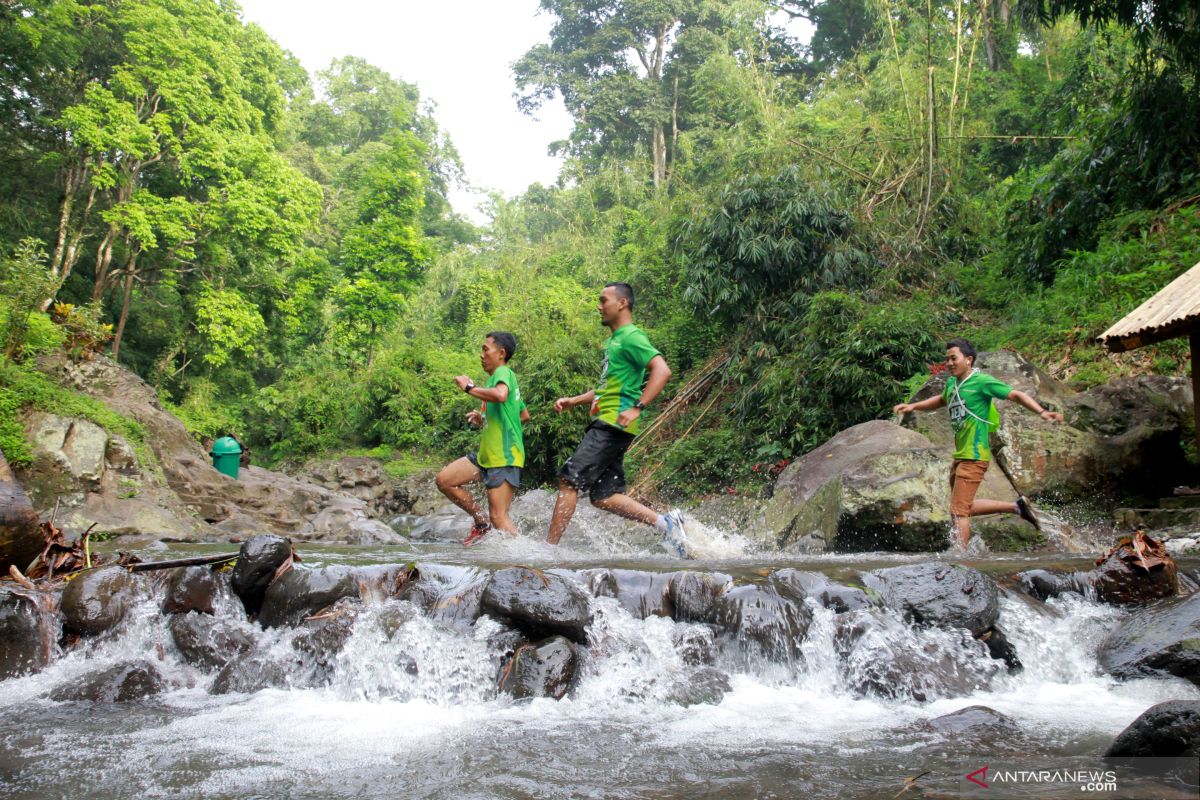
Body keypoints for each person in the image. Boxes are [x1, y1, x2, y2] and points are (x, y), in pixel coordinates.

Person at [546, 282, 689, 557]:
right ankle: (665, 524)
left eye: (604, 300)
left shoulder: (631, 336)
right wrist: (574, 400)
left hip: (613, 423)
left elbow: (662, 370)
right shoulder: (614, 341)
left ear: (622, 303)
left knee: (569, 479)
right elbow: (606, 387)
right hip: (611, 422)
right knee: (603, 496)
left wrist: (638, 406)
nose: (599, 307)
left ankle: (548, 550)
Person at [892, 338, 1064, 550]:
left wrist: (1042, 411)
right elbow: (940, 400)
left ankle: (961, 558)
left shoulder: (981, 381)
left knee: (958, 511)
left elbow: (1015, 394)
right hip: (961, 455)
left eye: (954, 358)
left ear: (969, 359)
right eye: (947, 359)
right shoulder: (952, 384)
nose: (949, 363)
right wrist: (913, 407)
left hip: (974, 455)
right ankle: (1016, 507)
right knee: (962, 507)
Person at [435, 332, 530, 547]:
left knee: (500, 518)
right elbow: (523, 415)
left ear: (502, 353)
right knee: (445, 480)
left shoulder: (503, 372)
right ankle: (481, 521)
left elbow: (501, 395)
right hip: (486, 456)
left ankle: (527, 562)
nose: (482, 355)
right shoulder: (496, 379)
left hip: (504, 457)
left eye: (486, 349)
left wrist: (469, 387)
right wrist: (484, 417)